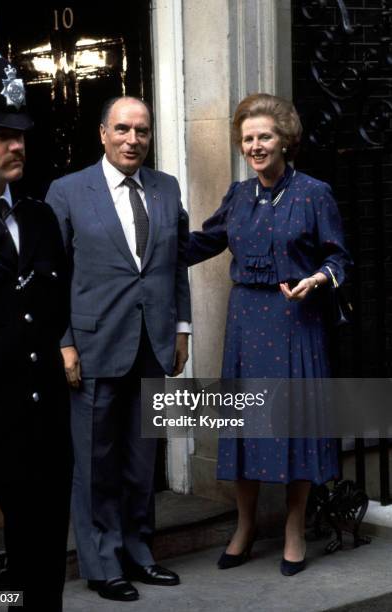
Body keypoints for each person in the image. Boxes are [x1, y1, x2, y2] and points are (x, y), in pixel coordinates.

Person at [187, 93, 352, 576]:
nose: (256, 146)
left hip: (295, 321)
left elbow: (339, 258)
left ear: (284, 141)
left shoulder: (313, 193)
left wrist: (318, 279)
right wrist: (149, 246)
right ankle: (245, 526)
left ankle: (294, 528)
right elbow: (205, 241)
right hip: (246, 319)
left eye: (265, 136)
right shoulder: (239, 196)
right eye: (248, 139)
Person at [46, 96, 191, 602]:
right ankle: (102, 563)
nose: (134, 139)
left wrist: (182, 329)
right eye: (124, 129)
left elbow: (175, 263)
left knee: (139, 459)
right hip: (91, 346)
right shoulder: (66, 192)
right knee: (95, 461)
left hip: (152, 342)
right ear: (103, 133)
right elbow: (51, 278)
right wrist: (63, 343)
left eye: (143, 131)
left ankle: (139, 553)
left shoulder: (167, 188)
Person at [0, 50, 72, 610]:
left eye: (20, 132)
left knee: (40, 578)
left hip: (40, 438)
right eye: (0, 132)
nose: (17, 144)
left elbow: (48, 319)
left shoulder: (41, 219)